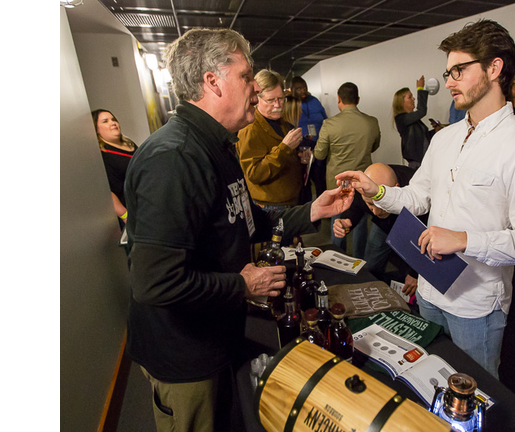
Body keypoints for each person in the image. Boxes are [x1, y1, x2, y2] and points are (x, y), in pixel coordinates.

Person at [123, 28, 351, 432]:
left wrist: (312, 210)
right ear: (212, 81)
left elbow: (252, 220)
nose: (254, 86)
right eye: (246, 76)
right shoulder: (173, 158)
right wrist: (240, 286)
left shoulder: (218, 146)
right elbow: (154, 283)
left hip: (217, 339)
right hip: (185, 357)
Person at [337, 19, 515, 378]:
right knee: (426, 377)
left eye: (459, 70)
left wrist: (463, 240)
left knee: (473, 392)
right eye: (448, 71)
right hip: (428, 291)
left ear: (494, 68)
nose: (450, 81)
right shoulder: (445, 138)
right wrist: (374, 190)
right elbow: (418, 196)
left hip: (476, 305)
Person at [333, 163, 424, 297]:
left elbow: (424, 240)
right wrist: (347, 221)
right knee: (371, 264)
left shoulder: (416, 194)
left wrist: (415, 273)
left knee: (409, 273)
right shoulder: (363, 186)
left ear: (396, 189)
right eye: (370, 204)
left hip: (414, 228)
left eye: (380, 203)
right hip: (383, 225)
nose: (376, 212)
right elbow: (356, 206)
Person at [315, 82, 381, 258]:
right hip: (364, 178)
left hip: (339, 179)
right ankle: (359, 262)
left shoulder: (329, 124)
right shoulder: (371, 122)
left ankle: (337, 258)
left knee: (337, 217)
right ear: (358, 99)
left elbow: (319, 154)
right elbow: (374, 146)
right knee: (360, 219)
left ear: (339, 99)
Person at [236, 69, 304, 211]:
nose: (278, 106)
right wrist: (285, 148)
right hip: (270, 207)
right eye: (271, 100)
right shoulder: (250, 129)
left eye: (281, 99)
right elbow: (255, 173)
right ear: (256, 98)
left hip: (288, 202)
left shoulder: (280, 122)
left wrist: (298, 157)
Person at [92, 109, 136, 225]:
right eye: (105, 121)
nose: (113, 123)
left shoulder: (129, 144)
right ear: (96, 130)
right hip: (132, 210)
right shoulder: (102, 154)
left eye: (113, 119)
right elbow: (107, 191)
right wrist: (126, 215)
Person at [291, 76, 328, 200]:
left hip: (318, 144)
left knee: (319, 177)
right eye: (299, 89)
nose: (302, 91)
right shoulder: (291, 104)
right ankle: (307, 209)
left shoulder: (314, 101)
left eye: (304, 88)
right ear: (293, 90)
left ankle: (323, 204)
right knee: (305, 178)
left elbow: (325, 118)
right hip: (303, 146)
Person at [392, 76, 440, 169]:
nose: (413, 99)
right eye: (410, 97)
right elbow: (422, 111)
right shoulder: (401, 119)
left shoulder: (414, 120)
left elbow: (423, 139)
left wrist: (435, 131)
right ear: (401, 102)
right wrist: (420, 88)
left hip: (424, 161)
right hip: (417, 165)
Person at [282, 95, 315, 204]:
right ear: (291, 111)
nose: (301, 112)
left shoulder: (287, 129)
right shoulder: (290, 131)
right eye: (298, 109)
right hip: (296, 186)